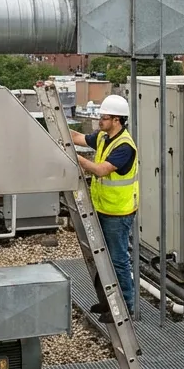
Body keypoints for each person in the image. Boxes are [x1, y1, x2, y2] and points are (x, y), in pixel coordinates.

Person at [70, 94, 139, 316]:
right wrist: (60, 132)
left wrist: (74, 157)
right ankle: (108, 301)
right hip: (103, 208)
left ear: (117, 120)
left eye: (104, 117)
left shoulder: (124, 147)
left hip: (118, 213)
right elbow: (79, 137)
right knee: (102, 257)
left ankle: (126, 306)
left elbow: (101, 170)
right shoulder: (103, 137)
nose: (100, 120)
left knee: (118, 260)